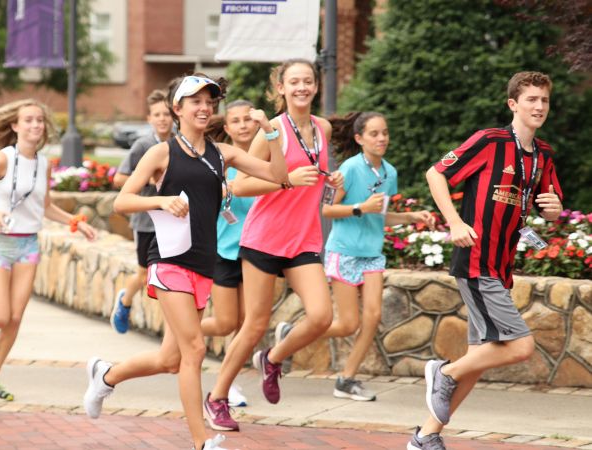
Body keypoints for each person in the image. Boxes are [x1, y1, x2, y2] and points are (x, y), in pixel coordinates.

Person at [82, 74, 288, 450]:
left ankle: (106, 375)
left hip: (202, 265)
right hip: (168, 260)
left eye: (209, 101)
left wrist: (269, 132)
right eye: (195, 101)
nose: (204, 107)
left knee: (170, 360)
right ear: (177, 109)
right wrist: (159, 200)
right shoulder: (162, 153)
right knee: (194, 350)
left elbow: (279, 177)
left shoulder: (222, 154)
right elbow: (121, 200)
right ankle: (200, 442)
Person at [408, 71, 563, 450]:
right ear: (513, 104)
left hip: (501, 266)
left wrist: (555, 209)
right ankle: (443, 372)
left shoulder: (542, 154)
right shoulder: (489, 142)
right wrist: (455, 221)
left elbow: (551, 211)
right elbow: (435, 174)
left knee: (479, 360)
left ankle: (425, 437)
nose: (539, 106)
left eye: (543, 100)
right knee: (519, 346)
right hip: (476, 260)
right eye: (531, 100)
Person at [204, 59, 344, 432]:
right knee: (254, 324)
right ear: (280, 88)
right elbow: (241, 185)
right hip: (264, 238)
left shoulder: (322, 128)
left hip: (304, 238)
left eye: (308, 81)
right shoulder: (272, 132)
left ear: (316, 86)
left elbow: (315, 174)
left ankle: (273, 357)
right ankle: (217, 397)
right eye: (294, 81)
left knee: (321, 316)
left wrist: (331, 179)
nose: (302, 87)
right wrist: (288, 181)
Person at [0, 99, 96, 401]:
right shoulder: (4, 158)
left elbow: (45, 206)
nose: (35, 125)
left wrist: (75, 222)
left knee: (14, 319)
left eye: (39, 120)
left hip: (28, 244)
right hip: (0, 244)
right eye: (28, 120)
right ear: (15, 126)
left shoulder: (43, 163)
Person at [321, 112, 435, 402]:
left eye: (385, 132)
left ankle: (346, 380)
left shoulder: (389, 173)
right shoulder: (349, 169)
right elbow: (325, 210)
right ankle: (294, 333)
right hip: (344, 251)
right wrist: (359, 207)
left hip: (371, 254)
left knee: (372, 318)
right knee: (348, 324)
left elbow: (380, 215)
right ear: (359, 139)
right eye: (374, 133)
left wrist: (412, 216)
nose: (382, 138)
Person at [202, 100, 260, 408]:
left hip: (258, 252)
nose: (242, 125)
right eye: (235, 120)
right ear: (227, 127)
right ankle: (182, 329)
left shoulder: (265, 158)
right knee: (226, 322)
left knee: (246, 323)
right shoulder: (218, 159)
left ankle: (229, 384)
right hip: (224, 250)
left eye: (248, 119)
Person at [110, 89, 173, 334]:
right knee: (145, 272)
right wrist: (149, 179)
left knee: (169, 273)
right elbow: (119, 179)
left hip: (173, 220)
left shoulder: (180, 141)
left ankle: (171, 328)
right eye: (157, 114)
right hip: (146, 221)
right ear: (149, 119)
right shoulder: (143, 145)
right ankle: (125, 301)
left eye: (166, 113)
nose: (162, 119)